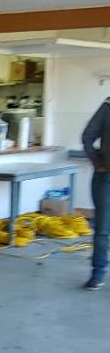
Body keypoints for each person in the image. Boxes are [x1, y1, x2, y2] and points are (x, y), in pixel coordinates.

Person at [80, 96, 109, 290]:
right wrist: (97, 163)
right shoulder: (108, 106)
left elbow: (87, 137)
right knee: (102, 229)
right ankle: (97, 272)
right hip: (106, 178)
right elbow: (87, 136)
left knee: (102, 230)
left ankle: (97, 274)